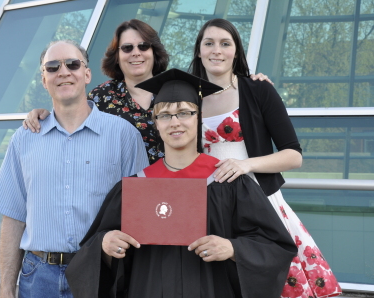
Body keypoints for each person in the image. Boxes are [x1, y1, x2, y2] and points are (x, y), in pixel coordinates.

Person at [64, 69, 298, 298]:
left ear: (199, 119)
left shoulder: (228, 183)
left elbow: (276, 247)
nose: (175, 122)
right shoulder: (135, 188)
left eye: (185, 113)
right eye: (164, 115)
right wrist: (104, 245)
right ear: (155, 122)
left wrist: (234, 249)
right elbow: (90, 252)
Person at [191, 19, 341, 297]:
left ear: (236, 51)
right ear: (198, 51)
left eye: (226, 43)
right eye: (208, 43)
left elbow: (293, 155)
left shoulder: (258, 90)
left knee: (275, 281)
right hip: (211, 205)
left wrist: (245, 165)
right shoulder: (188, 99)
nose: (217, 50)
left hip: (260, 200)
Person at [0, 40, 148, 298]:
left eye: (72, 64)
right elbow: (13, 216)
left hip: (99, 272)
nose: (62, 72)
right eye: (52, 67)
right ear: (43, 79)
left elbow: (141, 210)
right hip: (37, 277)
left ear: (86, 74)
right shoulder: (24, 138)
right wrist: (6, 288)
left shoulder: (123, 136)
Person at [22, 19, 271, 167]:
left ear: (154, 52)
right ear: (117, 56)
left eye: (143, 46)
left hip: (176, 186)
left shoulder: (178, 88)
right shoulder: (101, 96)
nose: (136, 53)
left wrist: (251, 83)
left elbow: (220, 98)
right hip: (119, 190)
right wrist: (42, 112)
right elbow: (72, 117)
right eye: (127, 48)